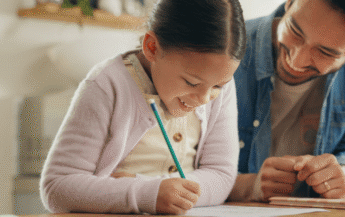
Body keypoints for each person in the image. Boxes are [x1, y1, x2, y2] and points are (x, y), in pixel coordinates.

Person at [39, 0, 246, 214]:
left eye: (218, 86)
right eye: (191, 83)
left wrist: (158, 189)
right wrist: (147, 193)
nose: (204, 99)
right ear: (152, 47)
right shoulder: (107, 85)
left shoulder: (219, 87)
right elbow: (57, 187)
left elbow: (221, 176)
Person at [227, 0, 345, 202]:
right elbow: (187, 170)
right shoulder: (228, 45)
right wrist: (248, 186)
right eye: (295, 31)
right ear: (290, 3)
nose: (296, 61)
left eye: (325, 52)